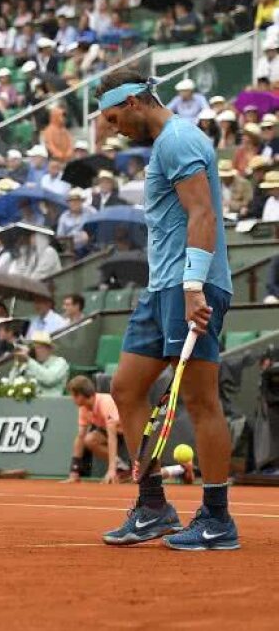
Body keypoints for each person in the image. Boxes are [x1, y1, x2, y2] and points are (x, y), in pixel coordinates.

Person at [95, 69, 237, 550]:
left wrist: (194, 286)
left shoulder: (178, 140)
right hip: (162, 290)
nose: (114, 128)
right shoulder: (164, 145)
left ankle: (217, 519)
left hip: (190, 287)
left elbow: (203, 213)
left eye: (115, 117)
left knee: (201, 401)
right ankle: (153, 505)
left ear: (134, 101)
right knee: (125, 388)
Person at [65, 376, 127, 485]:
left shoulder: (105, 403)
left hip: (130, 432)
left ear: (79, 395)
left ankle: (121, 469)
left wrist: (111, 470)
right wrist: (74, 471)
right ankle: (121, 468)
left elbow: (112, 437)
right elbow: (80, 437)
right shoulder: (83, 408)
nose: (72, 399)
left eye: (72, 395)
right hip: (113, 431)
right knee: (89, 439)